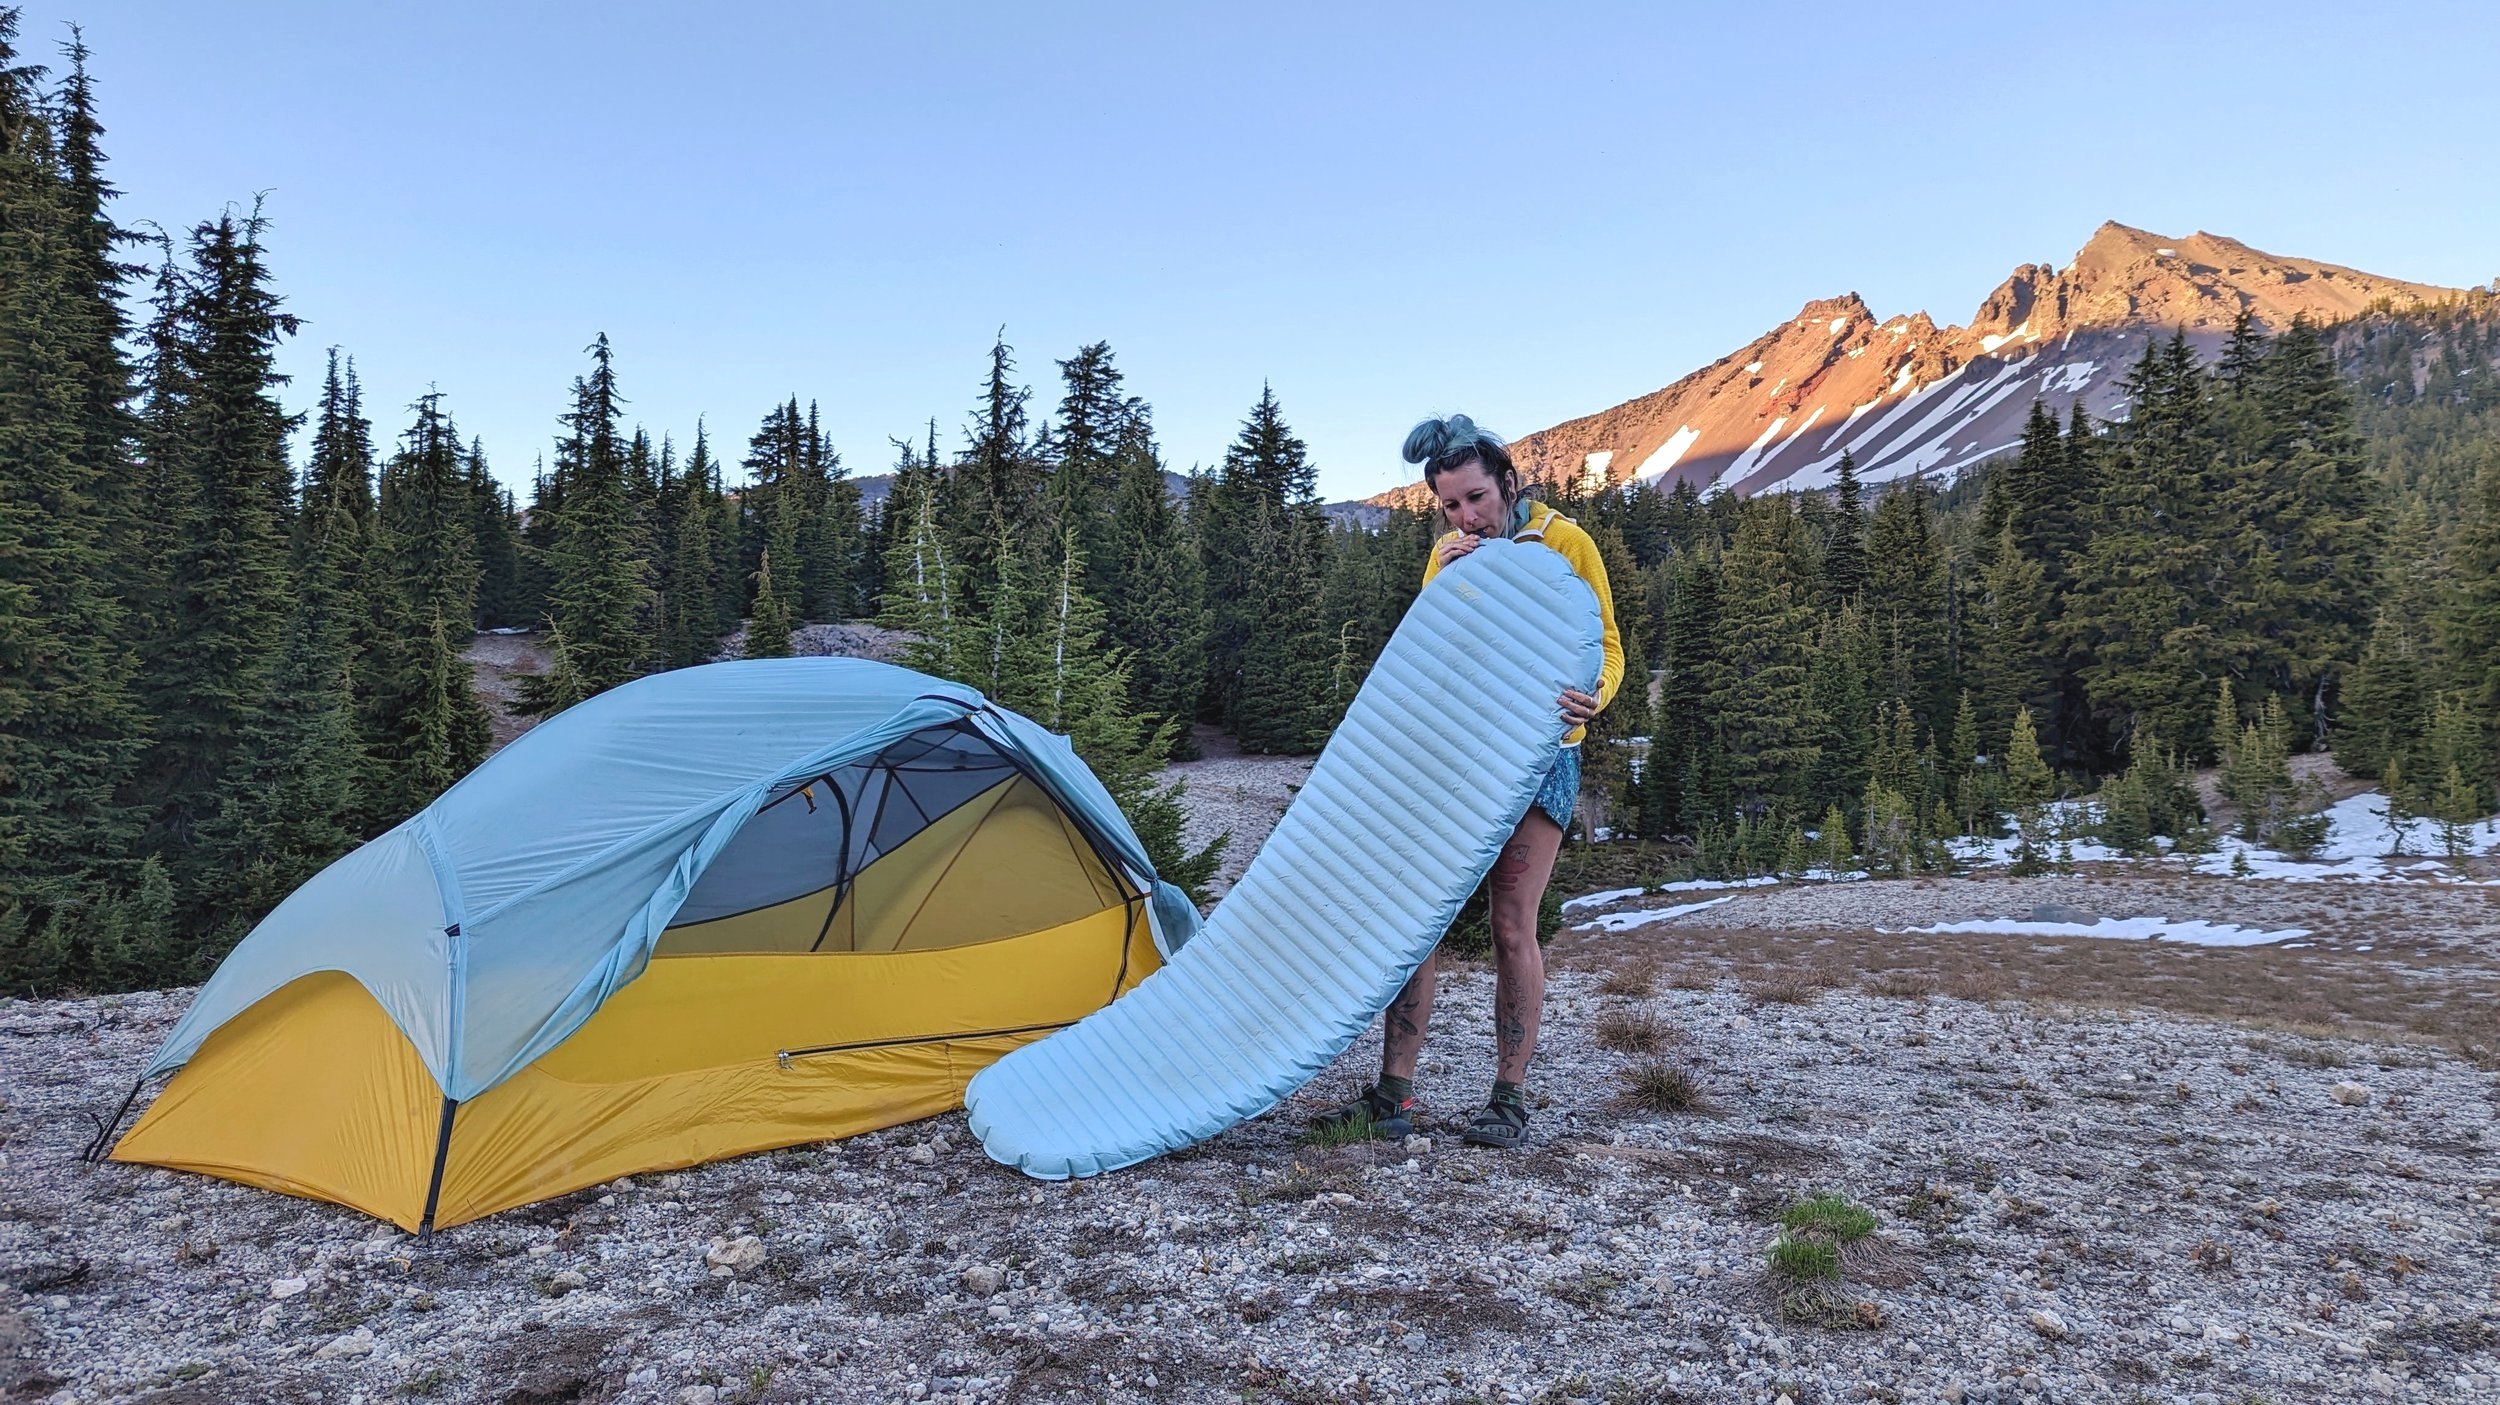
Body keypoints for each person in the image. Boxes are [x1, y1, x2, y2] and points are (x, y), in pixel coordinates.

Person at [1313, 414, 1624, 1149]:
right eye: (1451, 505)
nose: (1467, 516)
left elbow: (1606, 642)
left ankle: (1508, 1099)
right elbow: (1430, 659)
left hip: (1543, 753)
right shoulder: (1448, 555)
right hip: (1457, 755)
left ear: (1508, 482)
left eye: (1477, 498)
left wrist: (1597, 693)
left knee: (1512, 922)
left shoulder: (1567, 542)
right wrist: (1447, 585)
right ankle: (1393, 1095)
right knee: (1416, 916)